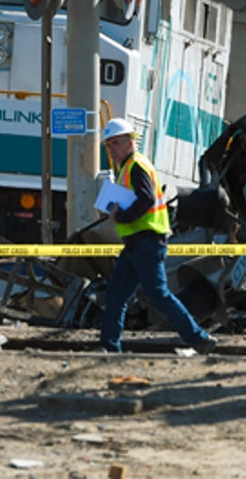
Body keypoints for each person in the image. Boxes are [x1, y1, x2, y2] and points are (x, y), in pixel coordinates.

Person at [96, 118, 217, 355]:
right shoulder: (129, 167)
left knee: (157, 295)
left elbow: (146, 200)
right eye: (109, 145)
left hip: (146, 243)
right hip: (136, 244)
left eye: (116, 144)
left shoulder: (136, 166)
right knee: (116, 296)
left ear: (130, 143)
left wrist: (121, 217)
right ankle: (110, 348)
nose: (112, 149)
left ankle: (199, 338)